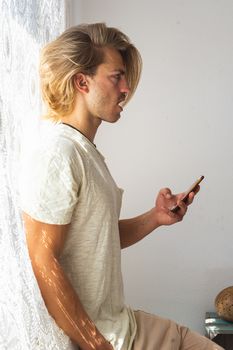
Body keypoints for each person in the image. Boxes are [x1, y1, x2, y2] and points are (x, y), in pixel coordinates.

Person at [20, 23, 223, 350]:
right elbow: (43, 260)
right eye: (116, 77)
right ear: (81, 81)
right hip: (106, 340)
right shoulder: (60, 153)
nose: (127, 88)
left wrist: (156, 217)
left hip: (123, 326)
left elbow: (96, 238)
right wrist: (97, 345)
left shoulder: (85, 152)